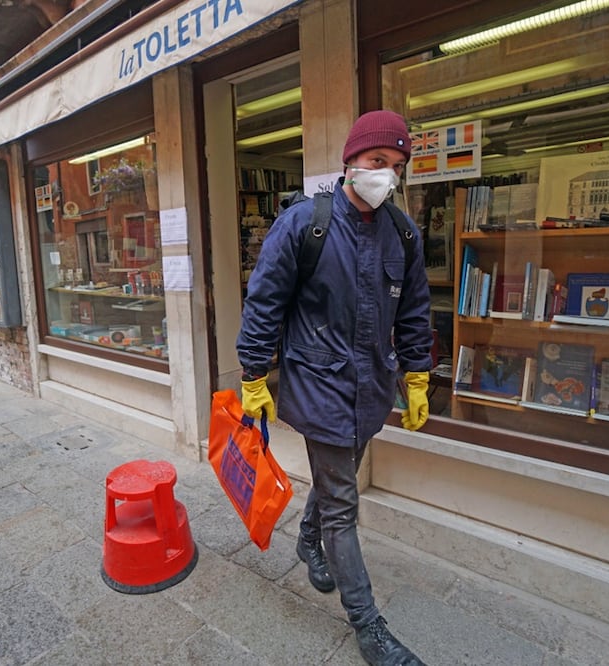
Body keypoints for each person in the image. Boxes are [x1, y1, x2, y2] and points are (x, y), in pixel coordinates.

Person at [236, 109, 433, 666]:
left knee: (336, 477)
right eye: (377, 161)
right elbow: (265, 301)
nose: (386, 175)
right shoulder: (305, 223)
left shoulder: (403, 233)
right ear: (350, 161)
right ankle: (369, 627)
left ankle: (305, 541)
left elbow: (415, 311)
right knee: (344, 504)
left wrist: (416, 376)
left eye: (397, 166)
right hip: (319, 382)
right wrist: (253, 372)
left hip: (372, 386)